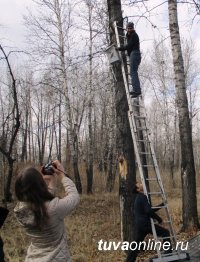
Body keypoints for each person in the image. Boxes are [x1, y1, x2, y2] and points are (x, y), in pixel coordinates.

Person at [14, 160, 80, 262]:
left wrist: (51, 183)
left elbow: (40, 202)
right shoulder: (54, 208)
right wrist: (62, 175)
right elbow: (74, 197)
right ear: (40, 184)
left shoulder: (20, 210)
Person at [126, 182, 171, 262]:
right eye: (139, 184)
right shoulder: (142, 197)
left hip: (139, 225)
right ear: (138, 189)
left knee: (136, 244)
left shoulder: (138, 198)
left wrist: (161, 204)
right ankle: (169, 254)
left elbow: (148, 210)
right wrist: (159, 219)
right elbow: (149, 211)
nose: (141, 184)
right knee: (165, 233)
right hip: (145, 224)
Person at [117, 22, 141, 98]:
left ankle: (136, 90)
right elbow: (128, 42)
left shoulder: (134, 35)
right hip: (134, 54)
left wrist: (120, 48)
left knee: (133, 72)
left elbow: (129, 45)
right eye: (128, 28)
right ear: (127, 28)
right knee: (133, 72)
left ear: (133, 28)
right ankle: (136, 90)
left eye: (131, 28)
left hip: (135, 54)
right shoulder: (129, 35)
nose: (129, 30)